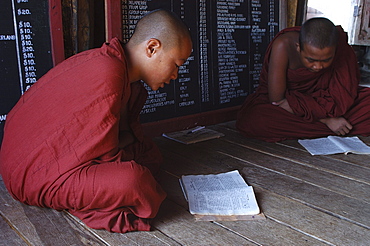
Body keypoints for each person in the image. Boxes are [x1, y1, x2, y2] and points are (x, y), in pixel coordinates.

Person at [0, 9, 192, 233]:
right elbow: (106, 155)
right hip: (29, 174)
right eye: (177, 64)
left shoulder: (122, 75)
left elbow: (114, 138)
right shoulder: (108, 71)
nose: (175, 75)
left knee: (149, 155)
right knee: (134, 181)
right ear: (152, 48)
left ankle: (97, 196)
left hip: (40, 156)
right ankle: (88, 201)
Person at [236, 17, 370, 142]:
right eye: (311, 60)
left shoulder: (341, 48)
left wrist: (323, 112)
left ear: (335, 51)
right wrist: (327, 120)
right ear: (298, 47)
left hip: (323, 102)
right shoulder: (283, 46)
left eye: (326, 60)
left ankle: (332, 127)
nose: (318, 67)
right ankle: (340, 127)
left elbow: (343, 93)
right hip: (295, 105)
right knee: (256, 120)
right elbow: (277, 100)